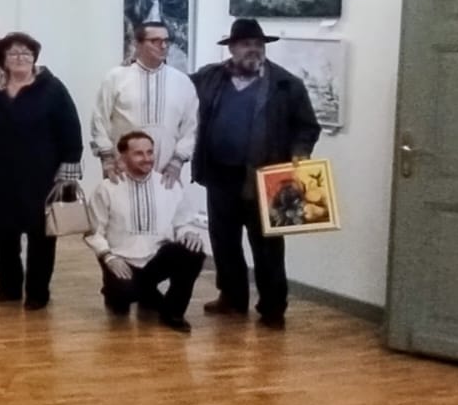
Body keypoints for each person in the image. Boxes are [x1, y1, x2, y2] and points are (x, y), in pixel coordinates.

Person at [191, 17, 322, 329]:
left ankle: (273, 307)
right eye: (246, 44)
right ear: (232, 48)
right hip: (220, 175)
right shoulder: (210, 77)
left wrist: (300, 152)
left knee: (267, 246)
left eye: (258, 44)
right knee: (224, 241)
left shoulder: (286, 84)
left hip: (268, 177)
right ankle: (232, 297)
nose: (253, 49)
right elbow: (178, 87)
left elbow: (307, 127)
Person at [0, 32, 84, 308]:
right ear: (3, 59)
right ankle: (9, 287)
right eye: (13, 53)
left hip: (40, 175)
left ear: (34, 57)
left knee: (40, 236)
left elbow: (70, 128)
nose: (20, 58)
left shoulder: (52, 88)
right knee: (4, 233)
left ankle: (37, 292)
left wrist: (69, 165)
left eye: (26, 53)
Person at [85, 130, 209, 333]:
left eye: (150, 152)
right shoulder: (107, 189)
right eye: (139, 153)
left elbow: (182, 222)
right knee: (123, 295)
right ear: (123, 157)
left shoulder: (168, 185)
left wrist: (188, 233)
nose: (147, 158)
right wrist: (108, 257)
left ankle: (173, 313)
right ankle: (126, 291)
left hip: (156, 259)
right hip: (122, 261)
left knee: (193, 253)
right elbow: (93, 232)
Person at [92, 21, 198, 185]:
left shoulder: (182, 82)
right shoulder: (116, 78)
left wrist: (177, 161)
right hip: (122, 170)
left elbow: (191, 127)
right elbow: (100, 119)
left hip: (166, 174)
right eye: (155, 41)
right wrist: (107, 158)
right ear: (137, 44)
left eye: (166, 41)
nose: (163, 46)